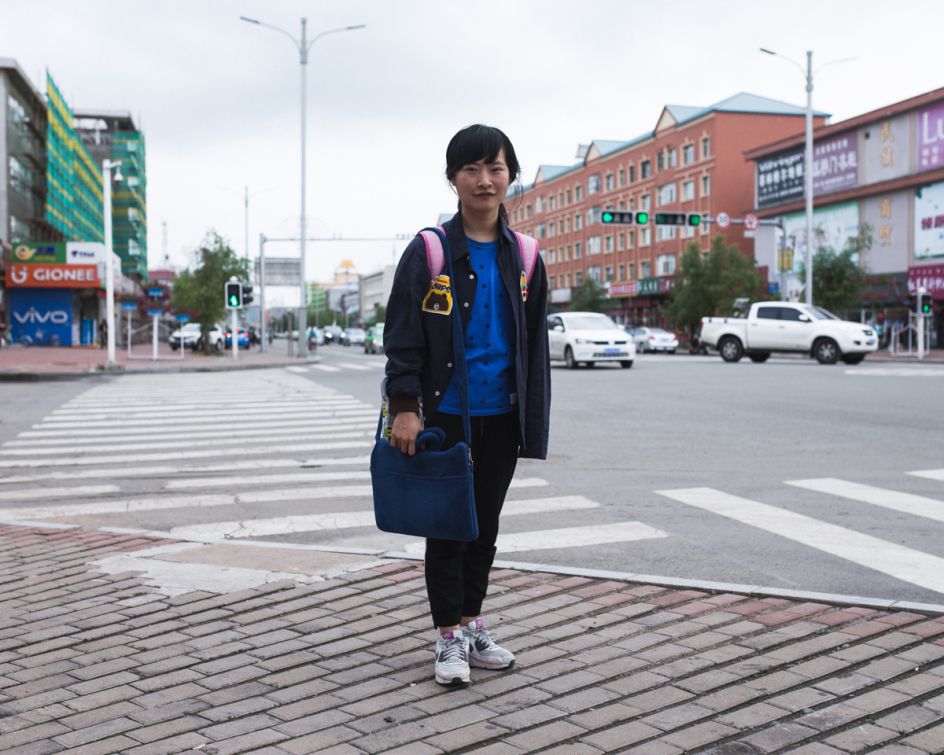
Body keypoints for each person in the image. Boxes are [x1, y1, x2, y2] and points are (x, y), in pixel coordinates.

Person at [384, 124, 551, 687]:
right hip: (445, 413)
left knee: (484, 527)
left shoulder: (526, 256)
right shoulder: (429, 250)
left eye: (496, 168)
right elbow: (403, 338)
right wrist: (406, 405)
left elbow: (533, 349)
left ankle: (473, 623)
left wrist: (531, 424)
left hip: (499, 414)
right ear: (453, 177)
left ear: (511, 176)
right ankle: (447, 639)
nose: (485, 180)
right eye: (472, 169)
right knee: (448, 527)